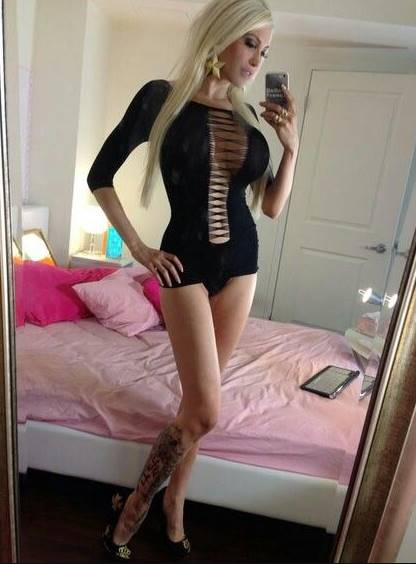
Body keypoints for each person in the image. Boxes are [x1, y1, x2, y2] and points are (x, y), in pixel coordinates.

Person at [87, 0, 299, 560]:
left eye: (265, 51)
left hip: (242, 267)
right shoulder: (161, 98)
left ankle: (174, 506)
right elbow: (100, 175)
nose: (258, 60)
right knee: (205, 410)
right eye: (251, 43)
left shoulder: (249, 117)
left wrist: (291, 148)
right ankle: (131, 514)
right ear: (222, 34)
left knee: (197, 408)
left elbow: (271, 207)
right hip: (182, 267)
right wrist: (138, 249)